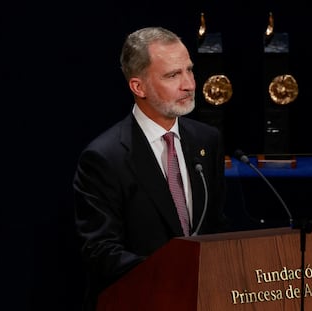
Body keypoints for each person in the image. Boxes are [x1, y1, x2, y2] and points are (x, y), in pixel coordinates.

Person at [73, 26, 229, 311]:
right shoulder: (104, 157)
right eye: (173, 75)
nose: (190, 84)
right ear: (138, 87)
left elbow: (217, 225)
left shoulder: (207, 140)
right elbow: (101, 252)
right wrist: (176, 276)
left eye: (189, 70)